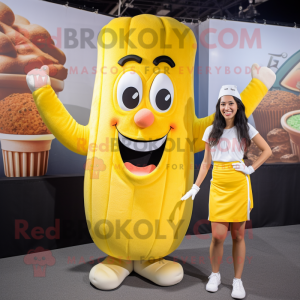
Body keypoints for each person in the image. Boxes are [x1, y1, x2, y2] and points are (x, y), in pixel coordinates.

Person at [181, 85, 272, 299]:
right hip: (219, 184)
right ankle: (215, 275)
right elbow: (205, 163)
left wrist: (250, 168)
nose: (227, 107)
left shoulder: (246, 129)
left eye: (231, 103)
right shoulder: (211, 130)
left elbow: (267, 150)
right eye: (223, 103)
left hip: (239, 184)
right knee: (218, 236)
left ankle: (238, 281)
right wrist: (196, 186)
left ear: (238, 105)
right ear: (219, 107)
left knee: (238, 236)